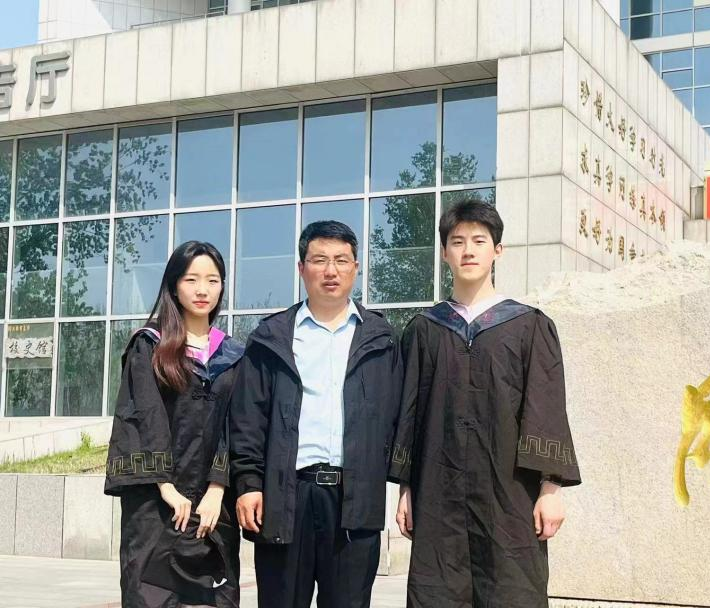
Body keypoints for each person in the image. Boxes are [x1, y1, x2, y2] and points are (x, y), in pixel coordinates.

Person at [389, 200, 582, 608]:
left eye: (479, 241)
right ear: (445, 253)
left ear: (498, 250)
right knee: (438, 592)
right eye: (457, 242)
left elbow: (546, 408)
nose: (468, 251)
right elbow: (409, 413)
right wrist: (405, 488)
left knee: (511, 590)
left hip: (510, 496)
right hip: (438, 496)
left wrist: (550, 489)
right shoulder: (425, 330)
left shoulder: (528, 325)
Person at [229, 221, 403, 608]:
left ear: (356, 267)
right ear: (301, 268)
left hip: (354, 501)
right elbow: (248, 419)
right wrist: (249, 483)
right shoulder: (271, 337)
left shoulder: (382, 339)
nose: (330, 270)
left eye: (341, 260)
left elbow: (398, 416)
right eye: (319, 259)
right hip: (286, 497)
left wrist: (402, 483)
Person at [104, 241, 244, 608]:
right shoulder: (150, 346)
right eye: (191, 279)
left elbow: (238, 424)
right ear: (174, 285)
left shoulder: (234, 355)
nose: (202, 290)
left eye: (212, 280)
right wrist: (165, 485)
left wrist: (217, 488)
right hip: (155, 505)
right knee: (151, 595)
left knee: (215, 597)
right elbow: (141, 415)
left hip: (214, 506)